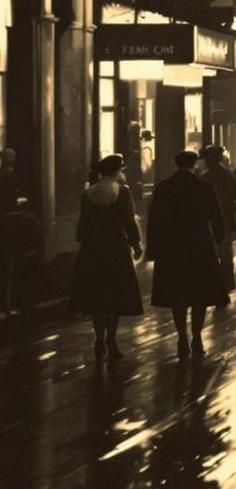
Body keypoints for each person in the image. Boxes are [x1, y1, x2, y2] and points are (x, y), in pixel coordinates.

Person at [146, 149, 229, 358]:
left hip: (172, 248)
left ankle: (182, 337)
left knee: (178, 297)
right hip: (200, 246)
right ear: (195, 165)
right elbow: (216, 217)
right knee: (199, 296)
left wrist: (153, 249)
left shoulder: (164, 188)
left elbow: (154, 221)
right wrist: (220, 238)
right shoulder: (205, 187)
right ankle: (197, 336)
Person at [67, 154, 143, 359]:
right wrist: (136, 244)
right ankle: (111, 340)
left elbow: (82, 226)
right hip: (116, 247)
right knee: (114, 296)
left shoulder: (88, 193)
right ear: (118, 171)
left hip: (93, 248)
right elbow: (128, 221)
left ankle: (99, 339)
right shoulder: (123, 192)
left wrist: (84, 241)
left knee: (96, 295)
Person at [0, 146, 38, 318]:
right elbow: (12, 203)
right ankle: (7, 306)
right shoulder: (9, 178)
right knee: (9, 265)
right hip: (8, 226)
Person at [200, 146, 236, 293]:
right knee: (225, 256)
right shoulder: (228, 176)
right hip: (226, 221)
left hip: (208, 222)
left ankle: (211, 286)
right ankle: (227, 285)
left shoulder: (204, 178)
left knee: (210, 256)